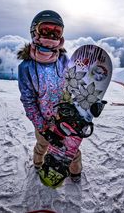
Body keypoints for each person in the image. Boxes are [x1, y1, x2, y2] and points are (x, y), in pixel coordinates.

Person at [17, 10, 82, 182]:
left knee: (71, 149)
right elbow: (28, 101)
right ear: (35, 32)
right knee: (42, 145)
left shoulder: (63, 59)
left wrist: (85, 105)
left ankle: (75, 173)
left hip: (65, 118)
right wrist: (43, 128)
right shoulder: (26, 67)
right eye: (45, 30)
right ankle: (38, 165)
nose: (51, 35)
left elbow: (73, 85)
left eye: (56, 31)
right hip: (43, 121)